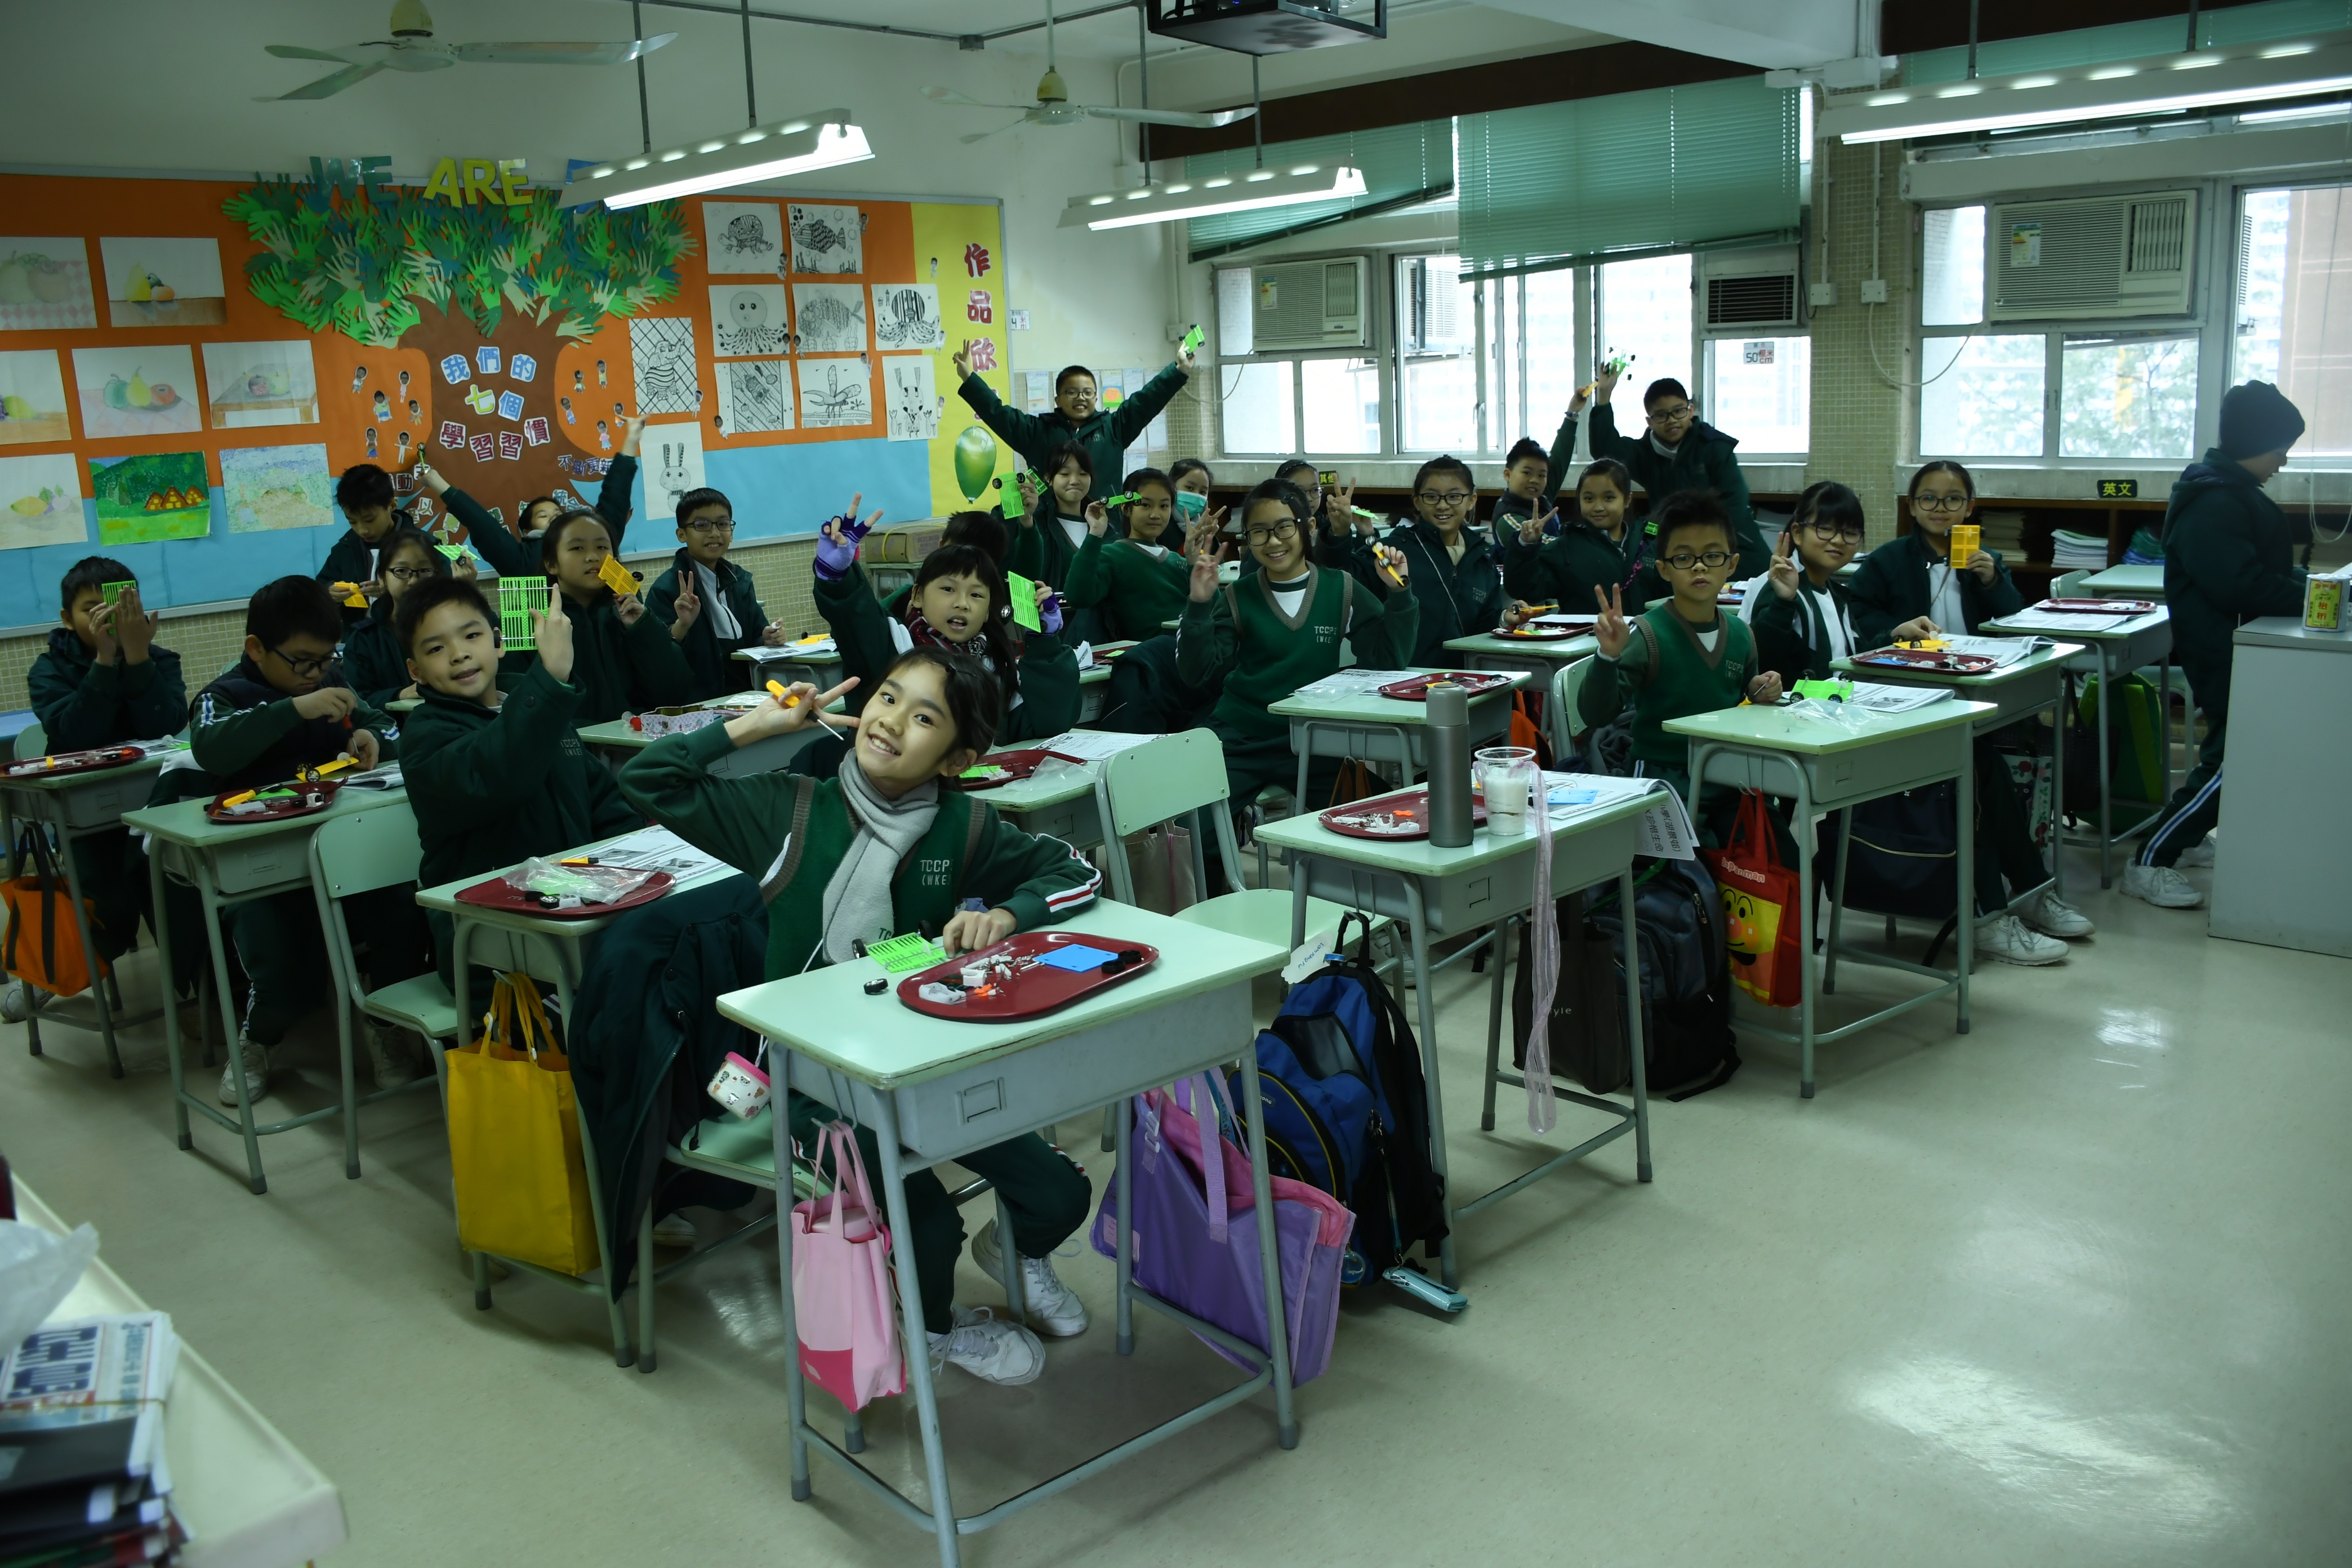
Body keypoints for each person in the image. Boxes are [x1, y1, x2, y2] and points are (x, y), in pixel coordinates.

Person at [618, 647, 1103, 1385]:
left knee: (1059, 1192)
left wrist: (1009, 913)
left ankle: (1014, 1252)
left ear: (958, 759)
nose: (891, 722)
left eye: (924, 718)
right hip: (815, 1080)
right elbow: (647, 779)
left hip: (922, 1060)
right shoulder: (788, 810)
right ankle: (932, 1333)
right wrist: (755, 727)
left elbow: (1075, 871)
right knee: (925, 1222)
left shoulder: (963, 827)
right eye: (888, 697)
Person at [1748, 485, 2089, 962]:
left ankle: (2027, 892)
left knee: (1978, 757)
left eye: (1849, 532)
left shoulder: (1835, 592)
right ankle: (1988, 916)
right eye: (1824, 529)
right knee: (1961, 771)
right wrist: (1783, 601)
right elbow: (1768, 669)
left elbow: (1846, 658)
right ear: (1796, 532)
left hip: (1851, 726)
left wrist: (1893, 634)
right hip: (1815, 741)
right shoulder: (1782, 589)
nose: (1837, 541)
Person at [185, 577, 428, 1102]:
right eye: (302, 662)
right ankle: (258, 1039)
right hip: (261, 868)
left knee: (403, 918)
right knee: (282, 965)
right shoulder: (224, 696)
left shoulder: (333, 681)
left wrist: (369, 738)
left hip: (346, 851)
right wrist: (294, 709)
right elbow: (210, 747)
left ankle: (382, 1026)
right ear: (256, 648)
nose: (316, 674)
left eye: (325, 660)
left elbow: (388, 728)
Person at [393, 575, 641, 983]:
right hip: (492, 940)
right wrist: (550, 679)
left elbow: (603, 805)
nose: (458, 654)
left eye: (471, 636)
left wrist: (640, 870)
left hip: (577, 911)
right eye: (436, 648)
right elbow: (499, 775)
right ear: (416, 670)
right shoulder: (426, 737)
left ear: (498, 641)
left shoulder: (537, 709)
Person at [2128, 381, 2310, 910]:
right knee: (2235, 760)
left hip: (2238, 646)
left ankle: (2184, 839)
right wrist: (2311, 596)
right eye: (2280, 449)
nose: (2283, 461)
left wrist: (2310, 587)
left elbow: (2258, 570)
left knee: (2233, 752)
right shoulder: (2215, 500)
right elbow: (2239, 585)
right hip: (2224, 650)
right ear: (2255, 442)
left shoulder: (2230, 491)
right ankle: (2151, 860)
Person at [1177, 478, 1418, 874]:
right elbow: (1197, 673)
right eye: (1259, 532)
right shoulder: (1238, 595)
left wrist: (1399, 593)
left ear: (1308, 527)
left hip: (1314, 740)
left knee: (1380, 816)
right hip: (1241, 737)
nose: (1273, 541)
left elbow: (1388, 659)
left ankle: (1358, 898)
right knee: (1191, 828)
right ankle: (1214, 898)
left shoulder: (1341, 588)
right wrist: (1200, 605)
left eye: (1284, 527)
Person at [10, 559, 185, 1018]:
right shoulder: (49, 669)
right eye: (92, 608)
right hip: (85, 815)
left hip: (152, 804)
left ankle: (191, 993)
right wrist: (106, 662)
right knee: (110, 907)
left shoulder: (158, 658)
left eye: (121, 604)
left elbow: (167, 724)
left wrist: (138, 657)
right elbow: (74, 733)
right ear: (67, 619)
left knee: (174, 893)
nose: (108, 615)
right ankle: (56, 972)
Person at [1576, 490, 1780, 842]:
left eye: (1712, 556)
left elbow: (1744, 705)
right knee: (1698, 860)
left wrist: (1759, 691)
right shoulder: (1648, 634)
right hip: (1663, 780)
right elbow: (1596, 714)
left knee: (1778, 846)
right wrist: (1608, 656)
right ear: (1664, 569)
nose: (1700, 566)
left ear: (1732, 564)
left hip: (1729, 777)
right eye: (1684, 558)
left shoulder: (1741, 635)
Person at [815, 498, 1080, 751]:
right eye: (948, 589)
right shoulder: (891, 646)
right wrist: (837, 575)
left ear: (988, 612)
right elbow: (855, 615)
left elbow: (1048, 724)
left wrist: (1046, 643)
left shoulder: (995, 667)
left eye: (976, 595)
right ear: (918, 596)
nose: (963, 604)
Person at [1566, 371, 1769, 590]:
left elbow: (1735, 503)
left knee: (1755, 594)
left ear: (1690, 410)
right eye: (1661, 415)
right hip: (1674, 544)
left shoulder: (1714, 447)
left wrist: (1704, 542)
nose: (1672, 420)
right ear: (1650, 421)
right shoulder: (1645, 453)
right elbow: (1606, 450)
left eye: (1678, 411)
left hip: (1731, 541)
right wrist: (1604, 396)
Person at [952, 342, 1196, 504]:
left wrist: (1179, 371)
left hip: (1104, 528)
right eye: (1071, 392)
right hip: (1050, 529)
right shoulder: (1036, 431)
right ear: (1057, 399)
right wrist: (969, 378)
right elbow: (997, 413)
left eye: (1088, 393)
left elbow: (1147, 400)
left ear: (1096, 398)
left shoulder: (1115, 428)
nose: (1081, 398)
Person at [411, 415, 643, 581]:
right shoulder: (522, 559)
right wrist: (436, 482)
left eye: (558, 514)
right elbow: (482, 524)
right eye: (543, 516)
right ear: (526, 531)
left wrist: (632, 439)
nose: (554, 518)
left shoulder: (594, 538)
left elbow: (615, 498)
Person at [1342, 456, 1517, 663]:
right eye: (1432, 497)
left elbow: (1483, 631)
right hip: (1400, 676)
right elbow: (1342, 578)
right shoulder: (1394, 551)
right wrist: (1339, 533)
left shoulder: (1483, 563)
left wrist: (1504, 619)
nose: (1442, 505)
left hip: (1458, 679)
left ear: (1471, 501)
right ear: (1417, 502)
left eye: (1454, 497)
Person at [536, 507, 694, 724]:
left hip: (635, 738)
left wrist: (643, 627)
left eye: (602, 547)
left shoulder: (629, 612)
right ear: (552, 564)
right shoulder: (536, 621)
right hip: (571, 742)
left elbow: (675, 693)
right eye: (577, 548)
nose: (593, 557)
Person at [1848, 461, 2023, 645]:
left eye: (1953, 499)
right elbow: (1858, 611)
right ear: (1912, 506)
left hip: (1975, 655)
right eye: (1929, 498)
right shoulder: (1887, 559)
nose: (1940, 507)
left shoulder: (1986, 560)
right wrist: (1897, 632)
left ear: (1969, 507)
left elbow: (2013, 615)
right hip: (1909, 655)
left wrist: (1992, 582)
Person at [645, 486, 786, 701]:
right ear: (681, 534)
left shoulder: (739, 582)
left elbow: (756, 636)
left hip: (749, 699)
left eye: (723, 524)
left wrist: (769, 638)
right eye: (702, 525)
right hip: (698, 706)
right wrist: (681, 626)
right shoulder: (667, 589)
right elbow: (656, 659)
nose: (714, 533)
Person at [338, 525, 476, 709]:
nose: (413, 581)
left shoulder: (459, 626)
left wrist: (466, 595)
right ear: (382, 577)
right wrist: (401, 694)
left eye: (424, 571)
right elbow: (358, 701)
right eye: (401, 571)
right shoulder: (363, 641)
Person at [1064, 467, 1194, 638]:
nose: (1156, 514)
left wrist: (1195, 563)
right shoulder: (1111, 556)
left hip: (1187, 647)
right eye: (1146, 505)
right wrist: (1095, 534)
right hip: (1144, 651)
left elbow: (1210, 611)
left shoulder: (1179, 562)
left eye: (1164, 506)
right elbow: (1077, 597)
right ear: (1126, 508)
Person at [1504, 458, 1641, 616]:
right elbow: (1525, 589)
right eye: (1589, 499)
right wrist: (1526, 545)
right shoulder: (1566, 548)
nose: (1598, 507)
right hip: (1587, 632)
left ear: (1627, 500)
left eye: (1609, 498)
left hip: (1645, 631)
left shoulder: (1646, 543)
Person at [319, 464, 404, 611]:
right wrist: (330, 592)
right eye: (352, 522)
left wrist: (396, 591)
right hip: (357, 625)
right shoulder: (346, 548)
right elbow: (322, 584)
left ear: (392, 505)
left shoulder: (421, 546)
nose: (362, 530)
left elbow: (438, 594)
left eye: (370, 520)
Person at [1491, 438, 1552, 533]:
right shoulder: (1507, 518)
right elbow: (1545, 541)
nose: (1535, 480)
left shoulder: (1543, 501)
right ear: (1508, 475)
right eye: (1527, 473)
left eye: (1541, 475)